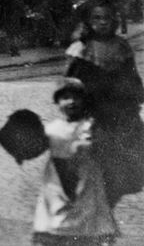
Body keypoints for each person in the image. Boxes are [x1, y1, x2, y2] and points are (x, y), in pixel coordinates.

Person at [65, 0, 144, 208]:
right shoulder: (82, 50)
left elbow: (132, 76)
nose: (102, 23)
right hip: (94, 118)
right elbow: (71, 85)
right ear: (88, 21)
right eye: (96, 18)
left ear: (114, 20)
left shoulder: (121, 47)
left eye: (107, 18)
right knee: (95, 171)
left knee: (119, 173)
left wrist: (136, 93)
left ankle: (106, 209)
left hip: (122, 117)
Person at [31, 78, 118, 245]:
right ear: (57, 102)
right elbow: (37, 146)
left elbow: (106, 148)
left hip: (87, 187)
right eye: (65, 98)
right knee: (56, 228)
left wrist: (93, 142)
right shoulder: (52, 128)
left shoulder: (90, 126)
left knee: (89, 230)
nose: (71, 102)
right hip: (57, 189)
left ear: (84, 100)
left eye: (76, 97)